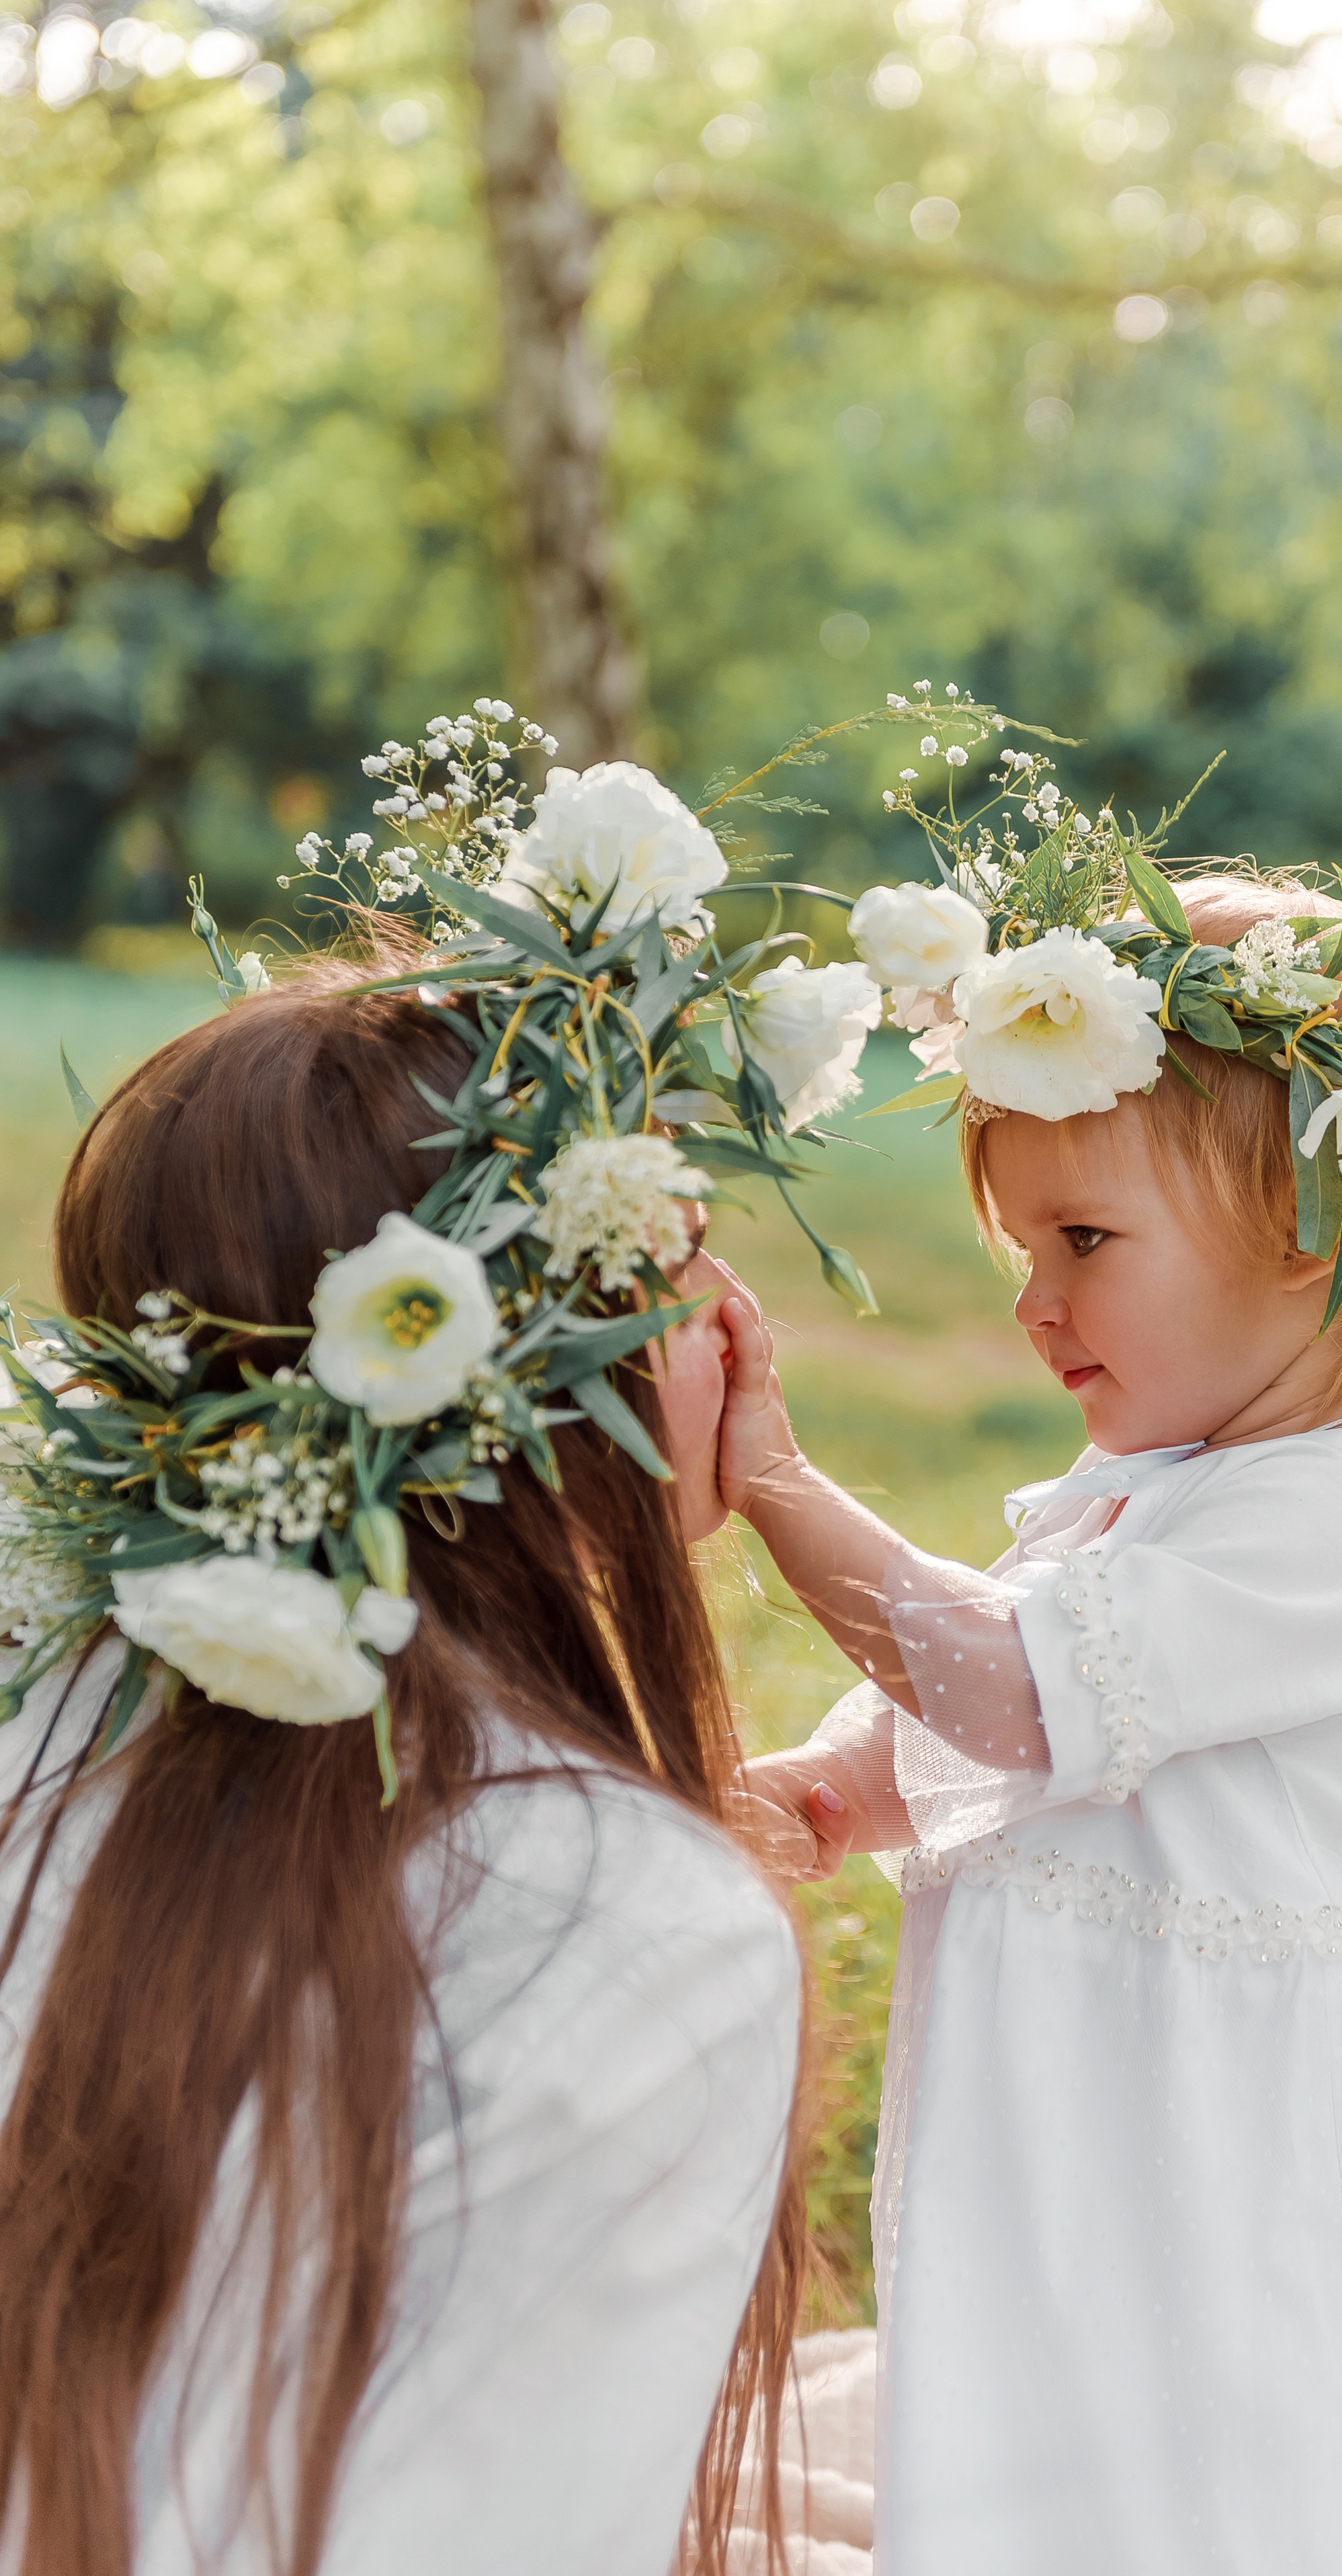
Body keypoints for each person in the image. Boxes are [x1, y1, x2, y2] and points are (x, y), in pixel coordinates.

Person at [726, 873, 1342, 2575]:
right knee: (1083, 2444)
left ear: (1331, 1235)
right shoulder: (1128, 1490)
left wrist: (776, 1485)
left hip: (1285, 2172)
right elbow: (1011, 1698)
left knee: (1277, 2483)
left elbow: (1015, 1693)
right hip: (1108, 2138)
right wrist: (837, 1790)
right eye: (1023, 1250)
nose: (1032, 1303)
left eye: (1084, 1243)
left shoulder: (1333, 1528)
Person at [0, 959, 806, 2576]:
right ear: (541, 1389)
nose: (738, 1326)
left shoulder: (54, 1711)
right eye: (687, 1266)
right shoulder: (637, 1923)